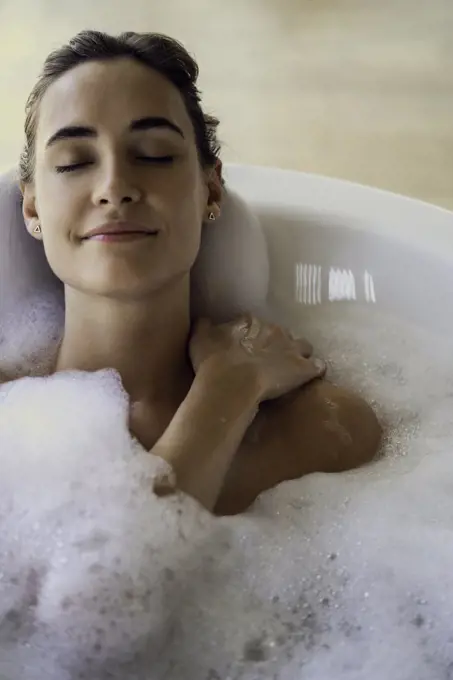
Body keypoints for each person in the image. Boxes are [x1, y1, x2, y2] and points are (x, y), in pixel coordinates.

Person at [8, 29, 380, 516]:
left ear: (212, 191)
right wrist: (228, 386)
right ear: (32, 207)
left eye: (155, 154)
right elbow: (111, 583)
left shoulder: (321, 428)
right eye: (75, 161)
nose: (114, 187)